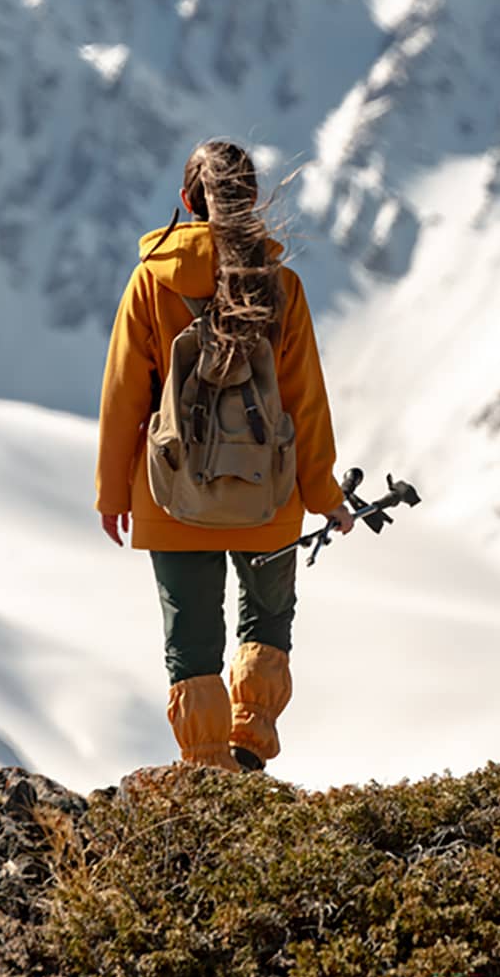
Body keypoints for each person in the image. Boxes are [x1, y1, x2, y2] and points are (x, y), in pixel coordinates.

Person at [95, 139, 355, 773]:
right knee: (266, 618)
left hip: (170, 491)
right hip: (269, 492)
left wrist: (111, 494)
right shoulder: (282, 289)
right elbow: (304, 404)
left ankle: (208, 772)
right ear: (251, 201)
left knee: (192, 642)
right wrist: (325, 496)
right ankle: (250, 742)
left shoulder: (153, 281)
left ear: (188, 201)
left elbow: (125, 394)